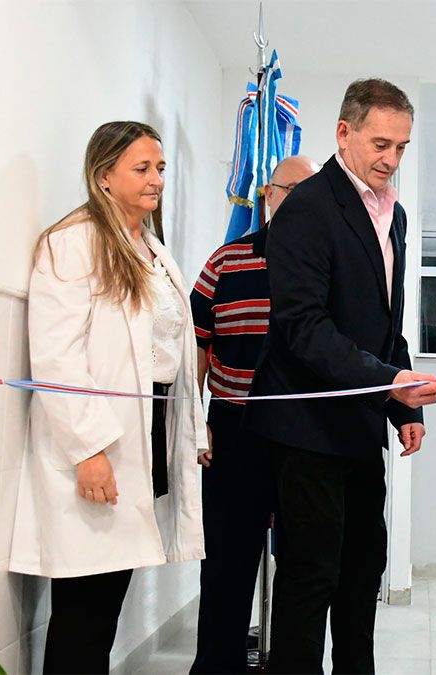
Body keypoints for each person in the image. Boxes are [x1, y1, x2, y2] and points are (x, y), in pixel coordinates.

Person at [243, 78, 436, 674]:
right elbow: (303, 327)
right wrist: (389, 382)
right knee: (311, 577)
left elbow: (383, 323)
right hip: (305, 427)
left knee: (363, 571)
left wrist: (401, 407)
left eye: (401, 148)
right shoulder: (306, 208)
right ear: (343, 132)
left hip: (358, 426)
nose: (391, 159)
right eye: (381, 144)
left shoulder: (394, 215)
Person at [9, 121, 207, 674]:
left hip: (146, 428)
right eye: (141, 169)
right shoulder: (73, 243)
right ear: (103, 177)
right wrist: (89, 449)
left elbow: (169, 352)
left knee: (105, 602)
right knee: (84, 610)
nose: (156, 180)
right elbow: (57, 357)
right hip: (100, 440)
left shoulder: (150, 249)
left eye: (160, 168)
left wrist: (191, 430)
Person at [189, 155, 316, 674]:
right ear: (268, 196)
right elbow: (195, 346)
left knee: (304, 567)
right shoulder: (227, 261)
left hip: (306, 437)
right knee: (226, 562)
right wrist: (193, 422)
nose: (301, 203)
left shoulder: (328, 267)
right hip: (233, 429)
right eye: (291, 192)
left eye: (312, 195)